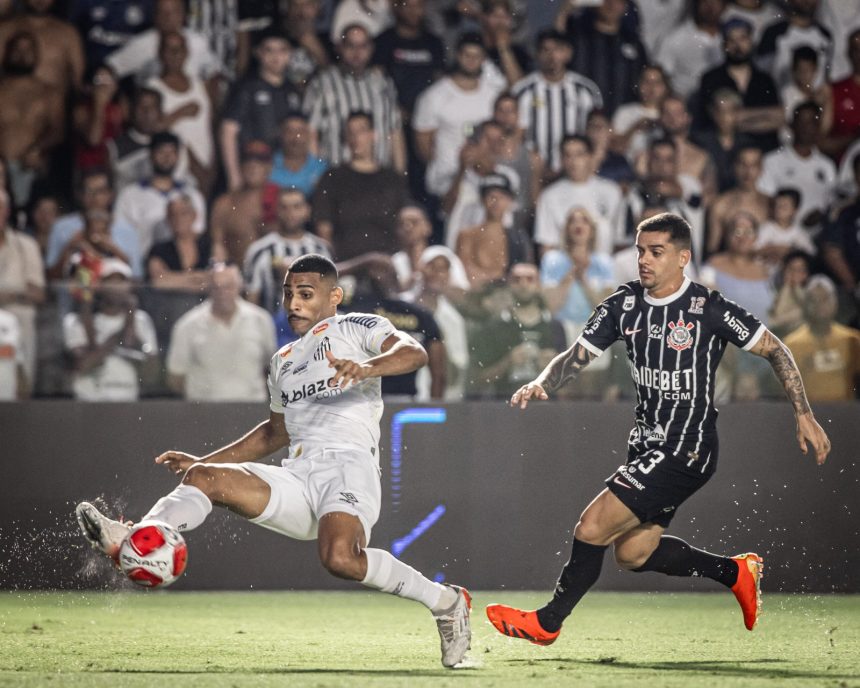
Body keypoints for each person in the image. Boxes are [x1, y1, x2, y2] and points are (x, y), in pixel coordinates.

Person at [75, 253, 472, 668]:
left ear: (334, 295)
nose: (294, 303)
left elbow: (414, 353)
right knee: (203, 476)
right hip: (297, 478)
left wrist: (366, 367)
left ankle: (446, 602)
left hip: (347, 468)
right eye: (288, 294)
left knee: (341, 559)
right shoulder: (283, 361)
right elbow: (273, 434)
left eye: (306, 294)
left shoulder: (357, 326)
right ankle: (133, 537)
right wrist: (203, 460)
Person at [484, 211, 831, 646]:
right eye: (640, 251)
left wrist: (802, 411)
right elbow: (577, 354)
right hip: (646, 445)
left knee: (591, 527)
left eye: (656, 252)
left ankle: (548, 622)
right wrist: (541, 382)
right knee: (632, 554)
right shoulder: (623, 305)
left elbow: (775, 349)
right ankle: (735, 572)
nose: (643, 260)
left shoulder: (708, 307)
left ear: (683, 257)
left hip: (688, 447)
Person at [164, 264, 275, 402]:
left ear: (239, 286)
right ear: (208, 289)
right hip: (204, 413)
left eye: (228, 286)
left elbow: (271, 367)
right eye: (216, 287)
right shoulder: (187, 325)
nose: (222, 292)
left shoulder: (261, 320)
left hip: (252, 411)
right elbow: (176, 377)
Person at [304, 23, 405, 171]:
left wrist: (399, 175)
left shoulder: (383, 84)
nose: (357, 52)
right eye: (351, 46)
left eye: (363, 46)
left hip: (378, 177)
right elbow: (310, 133)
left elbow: (395, 133)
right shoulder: (322, 84)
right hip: (335, 175)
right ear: (339, 47)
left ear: (371, 49)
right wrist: (314, 175)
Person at [412, 32, 501, 200]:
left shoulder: (493, 95)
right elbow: (423, 144)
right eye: (467, 55)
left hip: (484, 179)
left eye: (477, 56)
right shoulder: (434, 96)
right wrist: (442, 166)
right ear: (458, 56)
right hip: (446, 180)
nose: (472, 60)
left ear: (484, 59)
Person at [312, 111, 409, 260]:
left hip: (389, 261)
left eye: (361, 131)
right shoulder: (332, 178)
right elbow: (324, 228)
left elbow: (405, 221)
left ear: (373, 135)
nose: (356, 137)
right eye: (351, 132)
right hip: (348, 263)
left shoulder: (392, 179)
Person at [63, 258, 157, 401]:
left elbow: (151, 373)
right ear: (99, 285)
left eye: (122, 281)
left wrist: (131, 323)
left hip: (127, 399)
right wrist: (122, 331)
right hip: (89, 399)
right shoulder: (77, 320)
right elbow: (83, 365)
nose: (116, 287)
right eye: (110, 281)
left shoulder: (141, 320)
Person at [468, 261, 565, 399]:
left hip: (546, 410)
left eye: (530, 279)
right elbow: (477, 380)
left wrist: (552, 369)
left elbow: (571, 387)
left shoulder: (555, 327)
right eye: (517, 280)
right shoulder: (492, 328)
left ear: (539, 285)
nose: (523, 284)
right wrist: (507, 363)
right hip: (505, 408)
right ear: (509, 285)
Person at [220, 29, 300, 192]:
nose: (276, 57)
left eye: (282, 50)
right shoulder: (246, 87)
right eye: (269, 50)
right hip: (252, 168)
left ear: (290, 54)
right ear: (258, 52)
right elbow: (228, 131)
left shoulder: (293, 90)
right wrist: (234, 177)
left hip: (284, 172)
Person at [511, 29, 602, 173]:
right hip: (534, 171)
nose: (552, 56)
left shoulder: (585, 90)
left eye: (558, 50)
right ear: (537, 54)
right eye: (546, 50)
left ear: (568, 53)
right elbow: (516, 134)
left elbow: (597, 131)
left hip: (576, 171)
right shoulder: (523, 90)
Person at [114, 131, 206, 257]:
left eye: (172, 152)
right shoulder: (130, 195)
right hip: (143, 265)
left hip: (182, 266)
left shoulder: (193, 194)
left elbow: (197, 232)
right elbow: (121, 235)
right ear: (151, 155)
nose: (167, 157)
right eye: (161, 152)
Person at [145, 31, 214, 192]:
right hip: (171, 169)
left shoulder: (199, 84)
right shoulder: (152, 87)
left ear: (187, 52)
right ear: (160, 53)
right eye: (170, 49)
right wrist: (180, 113)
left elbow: (209, 125)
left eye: (180, 49)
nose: (175, 54)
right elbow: (148, 129)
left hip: (205, 166)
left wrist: (212, 165)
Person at [244, 188, 332, 314]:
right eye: (284, 207)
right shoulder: (259, 250)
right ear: (276, 211)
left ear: (307, 211)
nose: (290, 213)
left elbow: (328, 295)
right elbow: (251, 300)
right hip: (272, 328)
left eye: (297, 207)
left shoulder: (321, 249)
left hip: (313, 328)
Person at [0, 30, 62, 208]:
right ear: (7, 52)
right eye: (17, 50)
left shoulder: (49, 92)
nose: (22, 55)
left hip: (32, 167)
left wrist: (37, 149)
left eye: (28, 50)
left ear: (37, 55)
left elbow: (58, 130)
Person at [534, 135, 623, 257]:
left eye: (579, 154)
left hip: (605, 268)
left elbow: (619, 240)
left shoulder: (612, 191)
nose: (573, 161)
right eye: (567, 155)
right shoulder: (549, 196)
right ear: (562, 160)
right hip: (564, 269)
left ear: (590, 157)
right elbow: (547, 246)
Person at [558, 0, 647, 118]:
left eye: (618, 1)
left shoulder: (633, 43)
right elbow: (555, 47)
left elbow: (643, 82)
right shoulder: (579, 37)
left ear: (625, 6)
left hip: (621, 121)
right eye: (605, 0)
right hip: (580, 115)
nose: (611, 4)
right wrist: (565, 11)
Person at [758, 102, 837, 233]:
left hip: (820, 234)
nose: (806, 127)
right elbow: (766, 201)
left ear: (818, 127)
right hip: (783, 233)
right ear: (792, 125)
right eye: (802, 122)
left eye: (812, 122)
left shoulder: (827, 165)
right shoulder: (772, 160)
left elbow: (831, 204)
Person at [105, 0, 222, 85]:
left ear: (183, 15)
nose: (168, 18)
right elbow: (110, 68)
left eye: (173, 12)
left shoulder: (198, 42)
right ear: (155, 16)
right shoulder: (142, 44)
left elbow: (213, 73)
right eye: (163, 13)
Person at [784, 276, 860, 401]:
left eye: (825, 299)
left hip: (847, 415)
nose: (820, 305)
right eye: (814, 300)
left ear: (835, 302)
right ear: (805, 304)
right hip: (808, 416)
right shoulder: (791, 345)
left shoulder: (852, 340)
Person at [456, 172, 533, 289]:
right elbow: (465, 273)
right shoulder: (467, 235)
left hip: (510, 297)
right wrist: (501, 278)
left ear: (509, 201)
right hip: (476, 296)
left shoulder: (518, 237)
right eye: (491, 196)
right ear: (482, 200)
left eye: (501, 197)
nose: (496, 201)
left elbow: (526, 273)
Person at [0, 189, 45, 386]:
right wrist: (16, 293)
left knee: (18, 385)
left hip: (17, 327)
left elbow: (37, 293)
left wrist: (7, 297)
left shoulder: (26, 245)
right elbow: (25, 291)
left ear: (7, 211)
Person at [210, 141, 279, 267]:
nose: (253, 166)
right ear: (240, 165)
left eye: (259, 162)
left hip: (276, 274)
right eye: (248, 161)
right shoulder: (224, 203)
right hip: (237, 274)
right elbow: (218, 247)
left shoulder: (281, 199)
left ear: (270, 167)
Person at [706, 145, 770, 256]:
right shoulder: (721, 204)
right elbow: (712, 248)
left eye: (754, 165)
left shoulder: (770, 203)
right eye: (743, 164)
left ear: (761, 169)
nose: (748, 171)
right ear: (734, 167)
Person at [656, 0, 726, 99]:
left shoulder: (731, 36)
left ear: (724, 6)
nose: (710, 7)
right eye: (705, 2)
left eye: (715, 2)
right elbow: (662, 76)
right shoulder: (675, 38)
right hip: (687, 104)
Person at [146, 194, 211, 292]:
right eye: (173, 215)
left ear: (194, 215)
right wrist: (197, 278)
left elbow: (217, 278)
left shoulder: (210, 245)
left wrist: (174, 279)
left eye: (183, 213)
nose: (178, 219)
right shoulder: (159, 249)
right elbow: (158, 281)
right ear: (168, 219)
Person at [269, 113, 328, 197]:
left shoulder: (322, 168)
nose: (295, 137)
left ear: (308, 135)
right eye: (289, 132)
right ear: (281, 135)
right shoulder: (268, 166)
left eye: (300, 132)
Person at [755, 188, 815, 266]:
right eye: (777, 205)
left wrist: (790, 251)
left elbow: (810, 254)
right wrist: (773, 249)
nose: (779, 210)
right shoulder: (766, 228)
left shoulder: (799, 233)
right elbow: (753, 250)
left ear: (795, 210)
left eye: (784, 206)